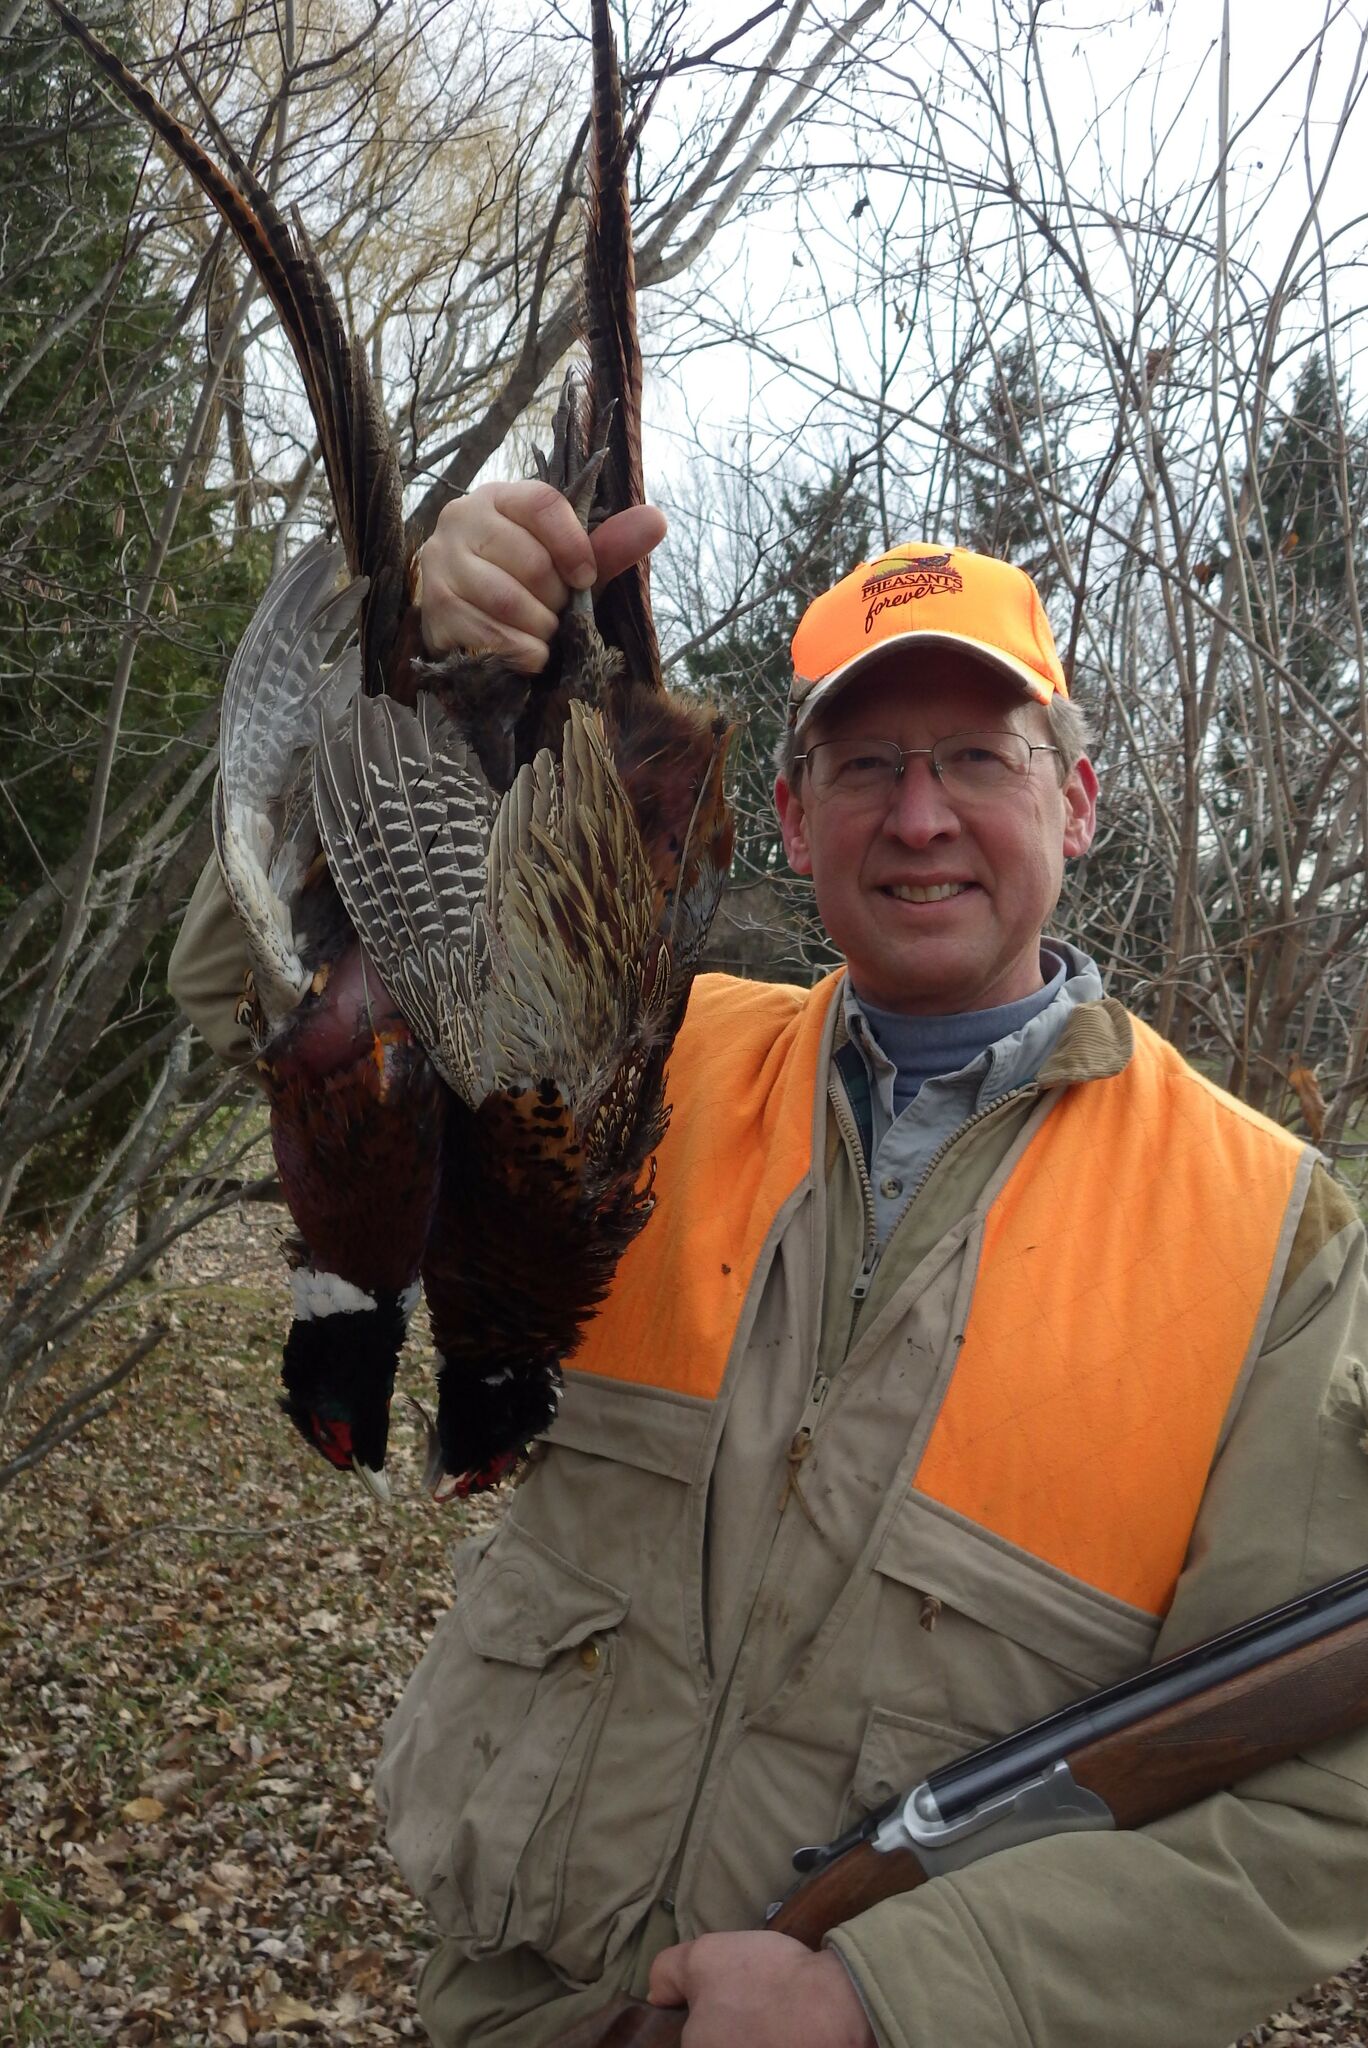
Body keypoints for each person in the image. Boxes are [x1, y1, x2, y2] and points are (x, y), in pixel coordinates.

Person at [170, 483, 1368, 2048]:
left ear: (1077, 803)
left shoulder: (1278, 1241)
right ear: (796, 819)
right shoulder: (639, 1055)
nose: (920, 814)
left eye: (975, 759)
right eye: (868, 764)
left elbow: (1315, 1806)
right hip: (521, 2010)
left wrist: (890, 2001)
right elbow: (262, 1012)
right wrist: (414, 656)